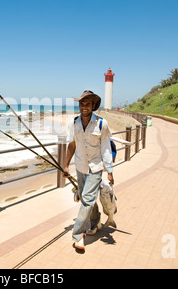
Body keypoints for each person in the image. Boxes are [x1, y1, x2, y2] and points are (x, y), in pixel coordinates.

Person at [63, 90, 114, 251]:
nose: (84, 107)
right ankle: (96, 221)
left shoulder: (101, 123)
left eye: (87, 104)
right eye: (81, 104)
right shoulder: (74, 123)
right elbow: (72, 145)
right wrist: (65, 165)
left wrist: (110, 170)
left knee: (86, 198)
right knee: (89, 199)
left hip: (96, 167)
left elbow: (106, 148)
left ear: (93, 106)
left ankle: (78, 235)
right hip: (80, 167)